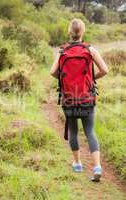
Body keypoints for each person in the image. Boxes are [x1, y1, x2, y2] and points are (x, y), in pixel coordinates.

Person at [50, 18, 108, 181]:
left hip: (69, 98)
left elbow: (52, 72)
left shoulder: (62, 51)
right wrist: (91, 79)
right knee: (90, 131)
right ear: (83, 32)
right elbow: (105, 70)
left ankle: (77, 164)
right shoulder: (90, 50)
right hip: (87, 97)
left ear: (70, 32)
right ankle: (97, 167)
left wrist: (62, 79)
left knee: (73, 130)